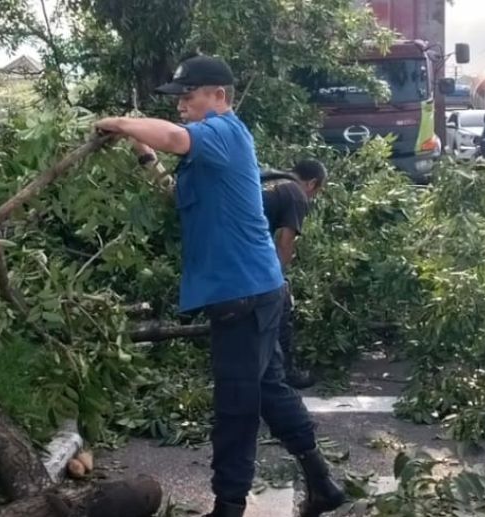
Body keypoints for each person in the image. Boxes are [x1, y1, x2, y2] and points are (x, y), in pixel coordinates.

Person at [95, 55, 345, 517]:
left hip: (242, 295)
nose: (182, 107)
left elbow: (173, 137)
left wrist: (120, 122)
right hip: (254, 290)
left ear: (219, 96)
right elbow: (174, 192)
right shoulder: (209, 151)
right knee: (268, 388)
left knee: (236, 405)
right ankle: (323, 483)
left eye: (189, 98)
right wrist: (141, 153)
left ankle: (228, 507)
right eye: (180, 100)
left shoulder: (225, 133)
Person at [261, 160, 326, 389]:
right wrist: (279, 278)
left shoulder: (269, 177)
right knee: (281, 303)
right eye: (316, 193)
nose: (312, 198)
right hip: (249, 252)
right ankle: (285, 372)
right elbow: (285, 242)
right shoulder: (297, 194)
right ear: (312, 183)